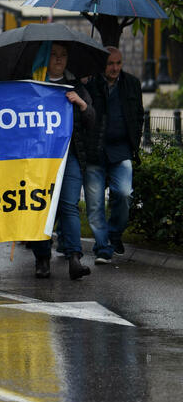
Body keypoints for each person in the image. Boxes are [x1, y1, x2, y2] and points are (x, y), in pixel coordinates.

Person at [29, 42, 94, 280]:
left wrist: (81, 103)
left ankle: (75, 258)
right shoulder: (34, 84)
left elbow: (91, 119)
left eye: (63, 55)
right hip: (40, 158)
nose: (59, 59)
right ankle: (42, 259)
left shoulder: (75, 85)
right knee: (42, 208)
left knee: (69, 205)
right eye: (54, 55)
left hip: (70, 155)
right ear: (46, 59)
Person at [83, 47, 143, 263]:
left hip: (121, 151)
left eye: (118, 63)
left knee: (124, 193)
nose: (115, 68)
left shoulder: (132, 84)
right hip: (95, 151)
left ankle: (114, 235)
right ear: (102, 65)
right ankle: (102, 248)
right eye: (110, 63)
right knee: (95, 204)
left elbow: (138, 115)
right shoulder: (90, 84)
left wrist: (134, 139)